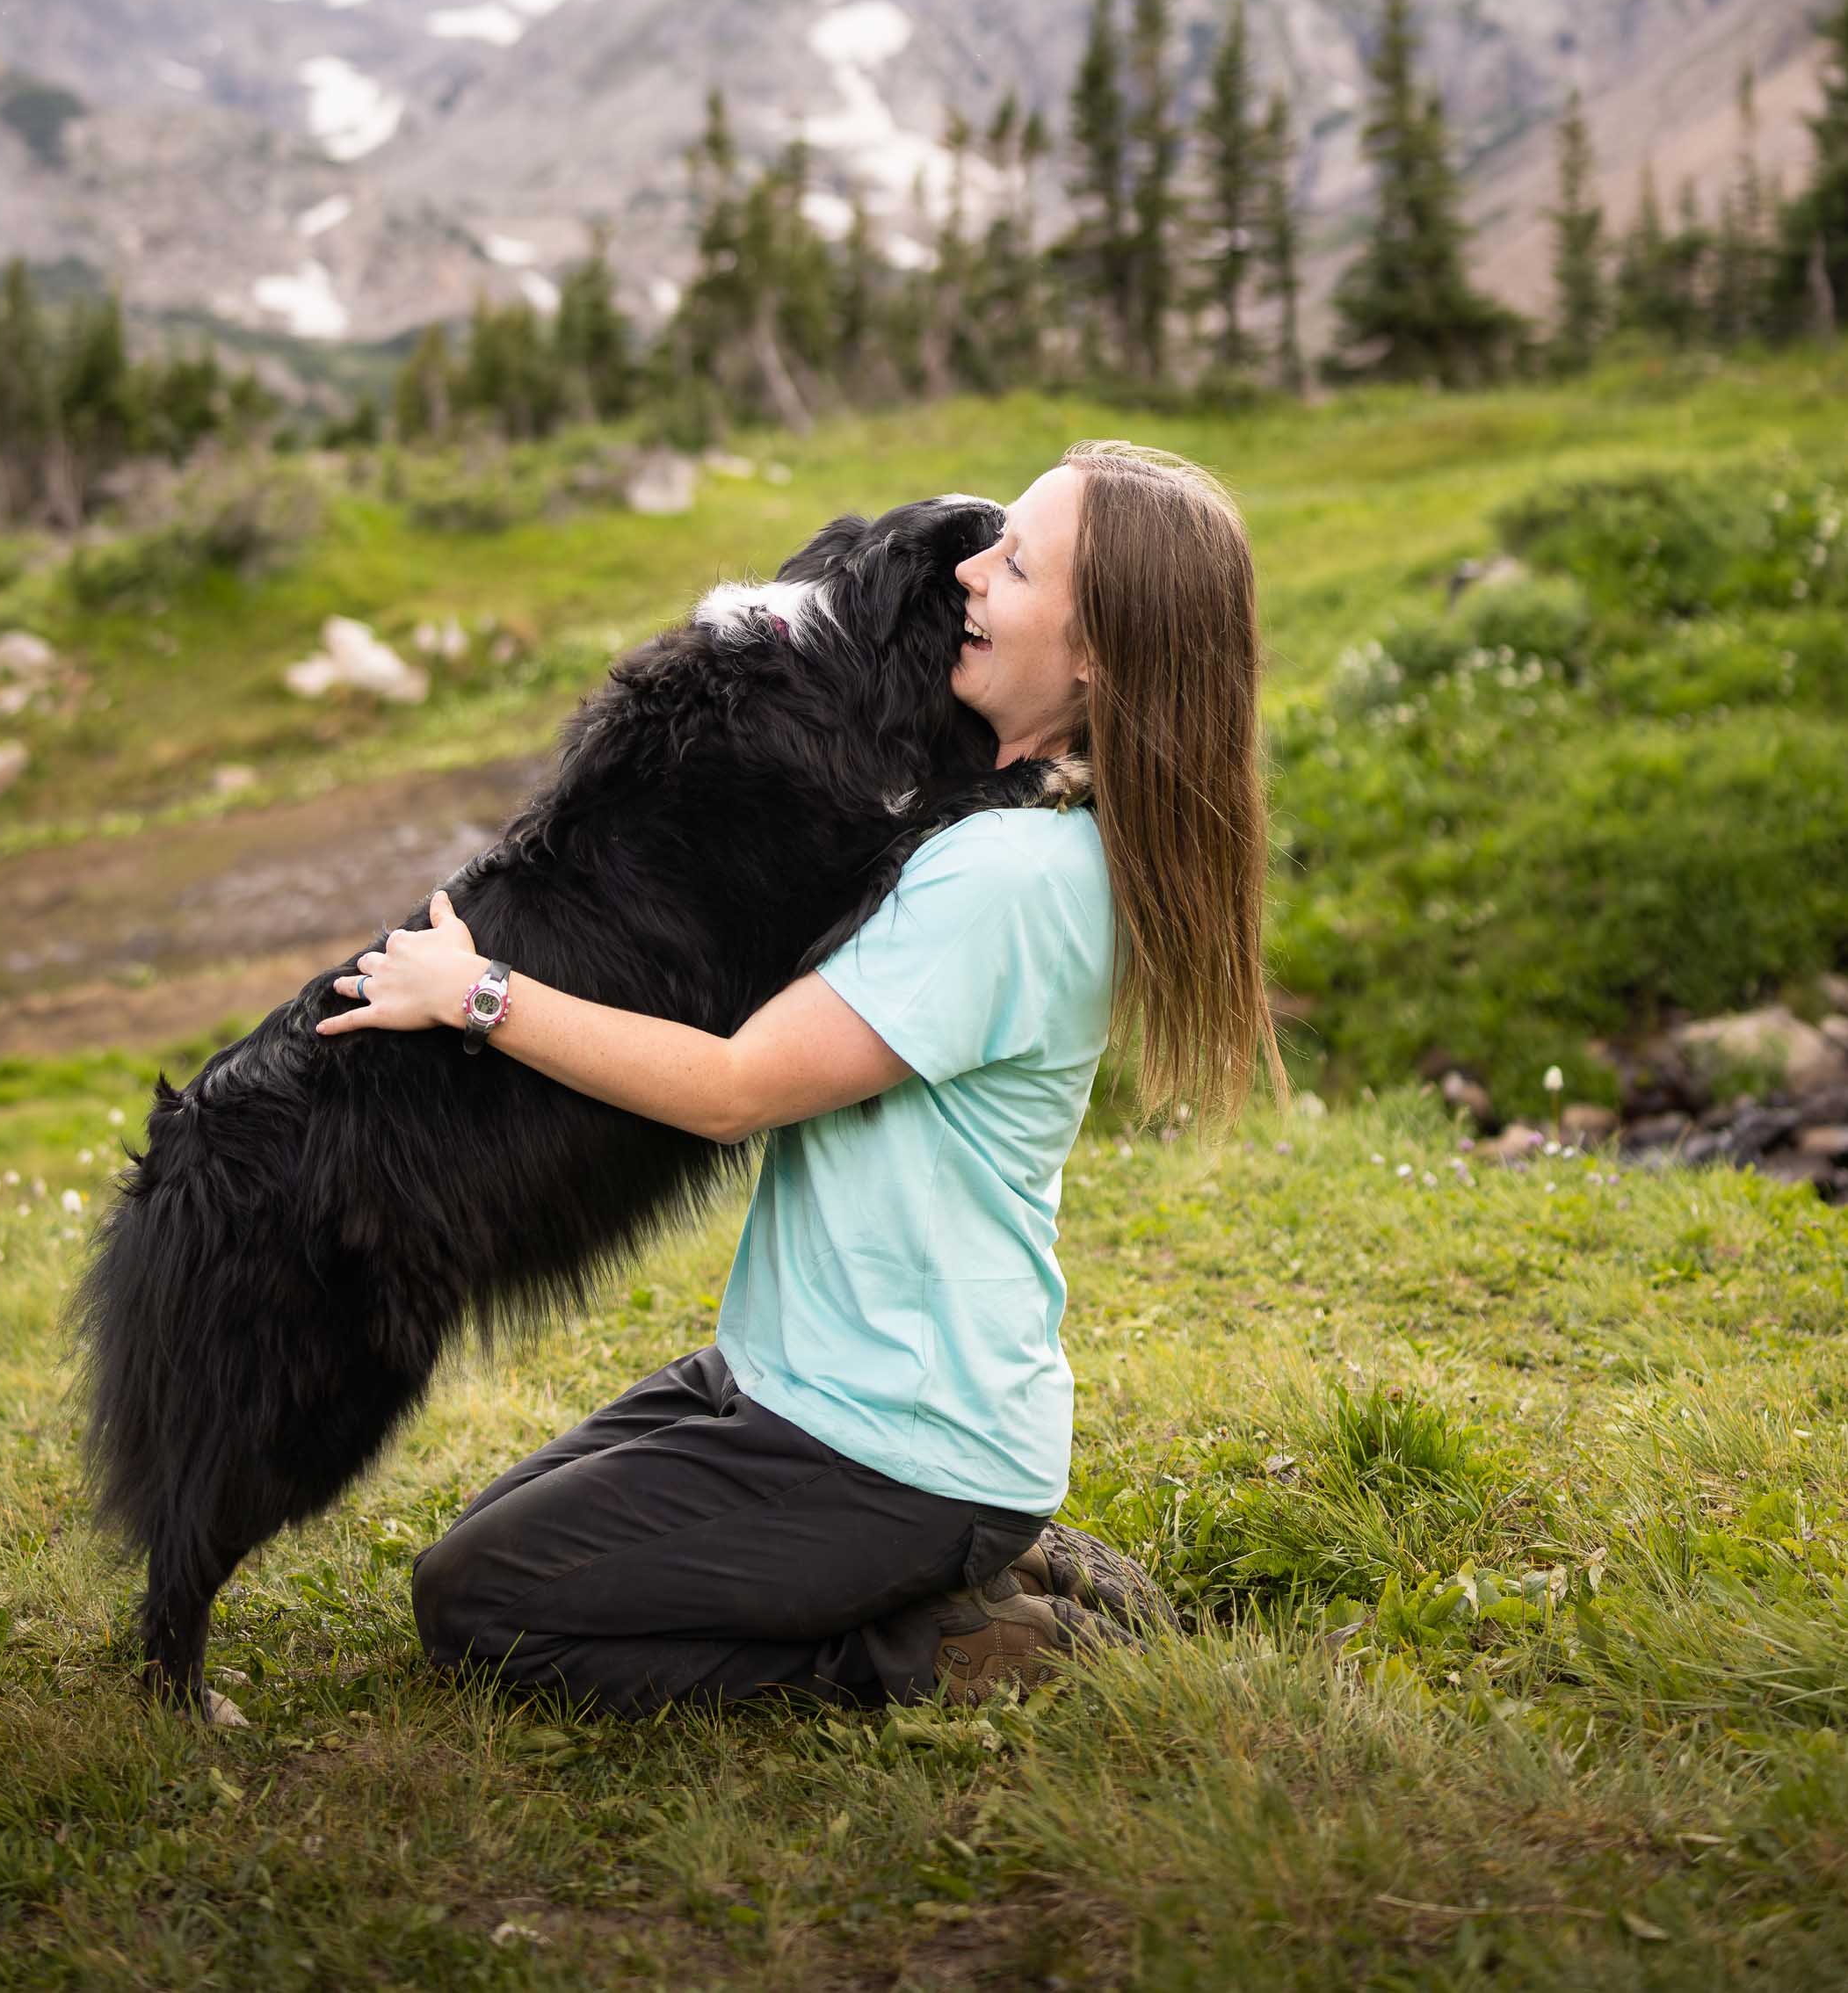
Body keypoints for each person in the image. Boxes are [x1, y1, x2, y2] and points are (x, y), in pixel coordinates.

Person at [317, 438, 1280, 1711]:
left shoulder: (1004, 880)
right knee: (504, 1533)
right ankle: (980, 1558)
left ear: (1098, 648)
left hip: (894, 1438)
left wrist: (480, 996)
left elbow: (732, 1087)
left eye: (1015, 563)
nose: (970, 578)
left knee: (480, 1606)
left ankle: (947, 1639)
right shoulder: (1002, 814)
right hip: (789, 1375)